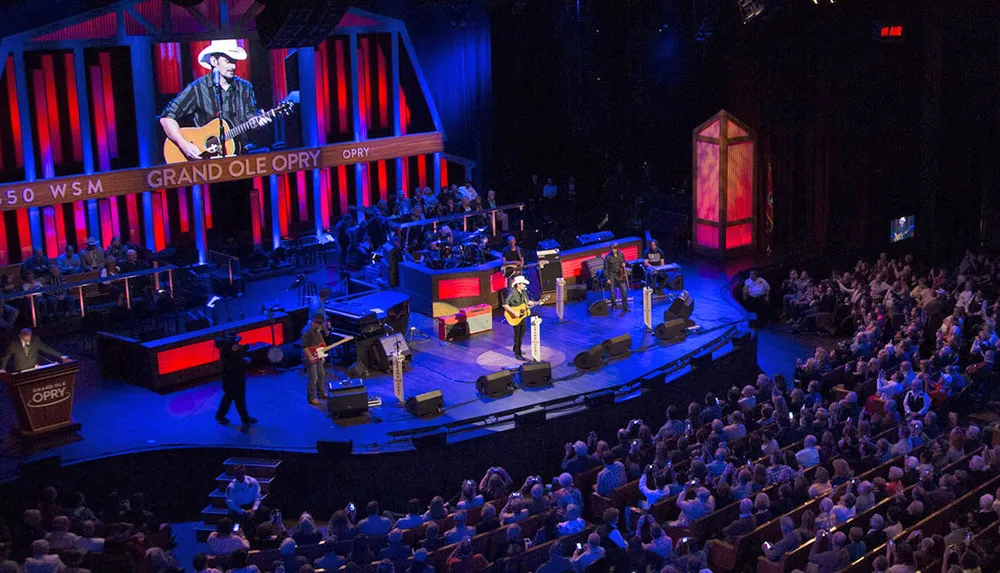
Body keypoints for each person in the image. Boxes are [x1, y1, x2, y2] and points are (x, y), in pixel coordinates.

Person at [160, 39, 268, 160]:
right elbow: (166, 118)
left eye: (234, 61)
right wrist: (184, 144)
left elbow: (250, 120)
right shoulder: (198, 88)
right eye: (228, 61)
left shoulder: (245, 87)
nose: (233, 66)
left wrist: (259, 122)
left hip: (239, 157)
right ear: (214, 61)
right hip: (206, 161)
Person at [215, 333, 256, 426]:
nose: (237, 345)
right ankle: (245, 418)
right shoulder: (231, 352)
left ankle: (220, 416)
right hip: (235, 378)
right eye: (235, 343)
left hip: (227, 378)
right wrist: (245, 362)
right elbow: (236, 364)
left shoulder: (224, 350)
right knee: (239, 399)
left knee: (228, 397)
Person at [503, 276, 540, 361]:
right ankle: (517, 353)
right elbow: (505, 304)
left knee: (522, 334)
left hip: (522, 316)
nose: (524, 285)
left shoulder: (523, 292)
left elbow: (527, 302)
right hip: (514, 316)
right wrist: (514, 312)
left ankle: (516, 348)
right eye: (522, 284)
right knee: (517, 335)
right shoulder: (512, 293)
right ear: (518, 285)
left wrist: (536, 302)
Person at [0, 328, 69, 373]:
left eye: (29, 336)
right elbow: (6, 357)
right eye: (25, 337)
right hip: (21, 371)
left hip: (34, 369)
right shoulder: (14, 345)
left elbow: (47, 349)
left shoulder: (35, 340)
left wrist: (61, 356)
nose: (27, 339)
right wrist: (2, 368)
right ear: (20, 336)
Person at [300, 314, 328, 405]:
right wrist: (310, 356)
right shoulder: (306, 331)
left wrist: (322, 355)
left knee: (321, 374)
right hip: (310, 357)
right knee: (313, 378)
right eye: (318, 324)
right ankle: (311, 397)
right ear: (313, 322)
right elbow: (304, 346)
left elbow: (321, 344)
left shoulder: (317, 331)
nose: (319, 326)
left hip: (318, 355)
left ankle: (321, 393)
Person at [604, 243, 629, 314]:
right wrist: (607, 278)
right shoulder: (607, 257)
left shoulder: (621, 254)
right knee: (612, 292)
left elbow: (624, 261)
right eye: (612, 249)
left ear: (617, 248)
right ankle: (614, 306)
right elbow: (605, 269)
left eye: (614, 248)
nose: (613, 250)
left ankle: (625, 307)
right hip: (611, 275)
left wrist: (624, 263)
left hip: (620, 275)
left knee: (624, 290)